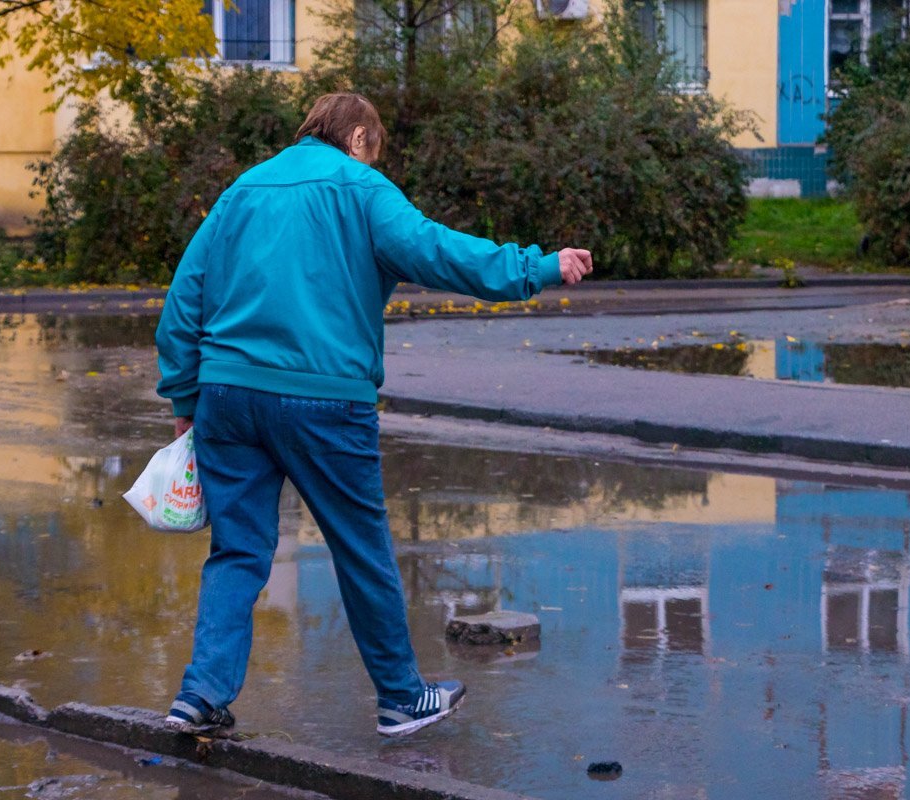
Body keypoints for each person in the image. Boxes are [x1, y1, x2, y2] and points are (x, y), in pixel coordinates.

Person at [154, 92, 593, 738]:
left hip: (229, 395)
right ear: (358, 137)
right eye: (374, 148)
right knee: (360, 547)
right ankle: (400, 698)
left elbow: (182, 304)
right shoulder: (362, 188)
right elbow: (439, 252)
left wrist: (186, 400)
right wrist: (538, 267)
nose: (373, 158)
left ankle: (199, 697)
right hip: (324, 398)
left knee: (239, 551)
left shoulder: (243, 191)